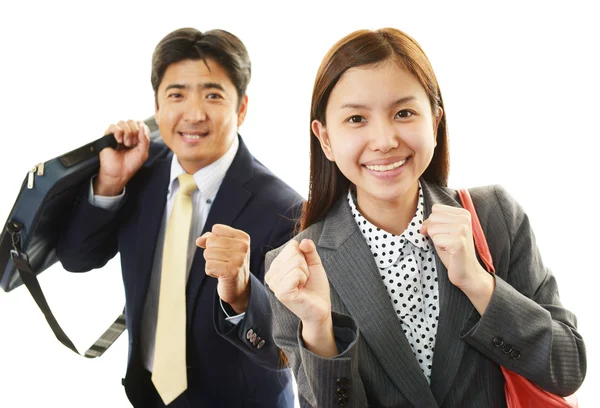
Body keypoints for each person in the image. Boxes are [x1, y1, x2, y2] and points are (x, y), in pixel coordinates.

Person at [264, 28, 587, 407]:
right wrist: (319, 331)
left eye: (404, 113)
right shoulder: (298, 268)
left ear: (434, 123)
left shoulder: (495, 216)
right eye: (356, 119)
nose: (384, 140)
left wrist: (480, 285)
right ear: (325, 139)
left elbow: (566, 369)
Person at [56, 27, 301, 407]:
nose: (194, 113)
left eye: (213, 94)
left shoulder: (285, 210)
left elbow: (291, 347)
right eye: (177, 95)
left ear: (242, 108)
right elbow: (76, 258)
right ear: (156, 107)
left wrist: (242, 293)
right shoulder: (138, 174)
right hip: (146, 394)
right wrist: (110, 182)